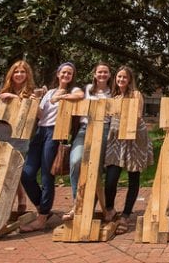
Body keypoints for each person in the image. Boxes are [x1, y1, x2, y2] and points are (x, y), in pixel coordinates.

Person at [20, 62, 82, 232]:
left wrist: (60, 97)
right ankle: (43, 209)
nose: (66, 76)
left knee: (47, 176)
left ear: (72, 76)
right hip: (41, 131)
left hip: (56, 133)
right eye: (63, 72)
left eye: (69, 73)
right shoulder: (49, 93)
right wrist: (35, 102)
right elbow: (41, 115)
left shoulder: (73, 90)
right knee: (26, 174)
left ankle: (41, 219)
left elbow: (80, 96)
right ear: (58, 74)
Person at [103, 65, 154, 235]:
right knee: (111, 179)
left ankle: (125, 215)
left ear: (130, 79)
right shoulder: (113, 97)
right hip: (116, 140)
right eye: (119, 77)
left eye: (124, 77)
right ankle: (110, 208)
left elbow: (137, 115)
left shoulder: (136, 95)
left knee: (134, 177)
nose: (121, 80)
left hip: (135, 139)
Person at [63, 61, 112, 222]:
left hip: (103, 129)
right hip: (84, 129)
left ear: (109, 75)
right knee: (76, 161)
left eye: (105, 72)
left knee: (95, 170)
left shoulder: (112, 93)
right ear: (94, 74)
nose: (102, 75)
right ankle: (78, 202)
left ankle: (90, 205)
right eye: (100, 72)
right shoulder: (86, 90)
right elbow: (74, 98)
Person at [0, 60, 38, 214]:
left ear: (28, 75)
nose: (19, 75)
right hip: (1, 133)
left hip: (20, 136)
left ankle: (7, 206)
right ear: (11, 74)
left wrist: (13, 97)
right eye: (16, 71)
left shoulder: (31, 93)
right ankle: (20, 197)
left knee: (15, 169)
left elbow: (33, 114)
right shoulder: (3, 91)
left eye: (23, 72)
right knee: (5, 170)